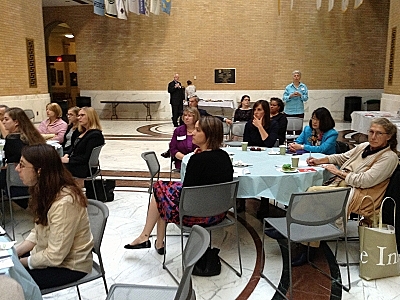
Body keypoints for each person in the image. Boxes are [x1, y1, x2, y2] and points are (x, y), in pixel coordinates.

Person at [267, 118, 399, 266]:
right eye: (371, 132)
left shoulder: (389, 157)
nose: (373, 136)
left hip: (363, 196)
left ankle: (294, 230)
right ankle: (307, 246)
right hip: (345, 185)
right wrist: (321, 161)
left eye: (379, 133)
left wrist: (338, 172)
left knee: (314, 192)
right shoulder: (364, 146)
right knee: (317, 199)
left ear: (388, 137)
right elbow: (342, 157)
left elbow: (364, 181)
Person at [124, 116, 233, 254]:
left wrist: (196, 159)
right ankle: (156, 242)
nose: (193, 132)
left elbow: (186, 195)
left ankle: (147, 237)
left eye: (198, 130)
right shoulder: (224, 157)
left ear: (209, 135)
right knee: (161, 190)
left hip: (195, 215)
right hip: (219, 212)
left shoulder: (196, 161)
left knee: (159, 191)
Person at [15, 144, 94, 289]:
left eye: (22, 165)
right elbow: (38, 230)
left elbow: (55, 256)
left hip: (70, 266)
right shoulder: (46, 189)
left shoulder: (65, 202)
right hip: (51, 256)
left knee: (10, 283)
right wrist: (15, 253)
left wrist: (20, 262)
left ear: (39, 171)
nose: (17, 169)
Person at [1, 107, 46, 207]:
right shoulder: (34, 136)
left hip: (16, 181)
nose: (3, 122)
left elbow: (9, 161)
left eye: (6, 119)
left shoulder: (12, 140)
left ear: (16, 122)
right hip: (37, 180)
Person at [61, 107, 105, 178]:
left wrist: (68, 160)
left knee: (51, 168)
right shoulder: (82, 131)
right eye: (78, 115)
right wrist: (67, 154)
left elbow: (86, 157)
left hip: (83, 167)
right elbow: (73, 147)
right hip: (76, 163)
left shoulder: (95, 135)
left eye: (82, 115)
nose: (79, 118)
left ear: (90, 117)